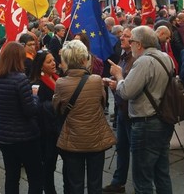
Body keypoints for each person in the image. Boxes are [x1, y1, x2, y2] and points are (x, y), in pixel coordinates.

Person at [108, 25, 174, 194]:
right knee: (162, 172)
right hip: (163, 119)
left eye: (131, 41)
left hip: (146, 122)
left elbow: (126, 92)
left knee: (142, 177)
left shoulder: (144, 61)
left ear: (138, 44)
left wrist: (119, 75)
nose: (129, 45)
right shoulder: (165, 57)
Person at [54, 40, 116, 193]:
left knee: (75, 184)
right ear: (84, 59)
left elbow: (58, 109)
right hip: (96, 138)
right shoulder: (96, 80)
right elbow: (102, 104)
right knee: (95, 183)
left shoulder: (61, 82)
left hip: (73, 140)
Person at [0, 42, 43, 194]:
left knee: (11, 174)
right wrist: (35, 97)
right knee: (35, 175)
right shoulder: (20, 79)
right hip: (23, 135)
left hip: (2, 135)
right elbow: (30, 110)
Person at [102, 26, 135, 194]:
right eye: (122, 35)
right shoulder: (123, 56)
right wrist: (113, 81)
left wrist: (118, 81)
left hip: (132, 111)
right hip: (122, 110)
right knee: (121, 147)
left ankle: (140, 185)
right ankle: (118, 182)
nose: (121, 38)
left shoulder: (136, 59)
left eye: (126, 36)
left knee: (135, 151)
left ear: (135, 41)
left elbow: (131, 87)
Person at [29, 50, 59, 194]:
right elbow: (37, 109)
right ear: (41, 66)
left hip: (55, 130)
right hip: (45, 132)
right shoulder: (37, 84)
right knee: (47, 166)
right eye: (49, 62)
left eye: (53, 60)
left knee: (51, 165)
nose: (53, 63)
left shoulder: (56, 77)